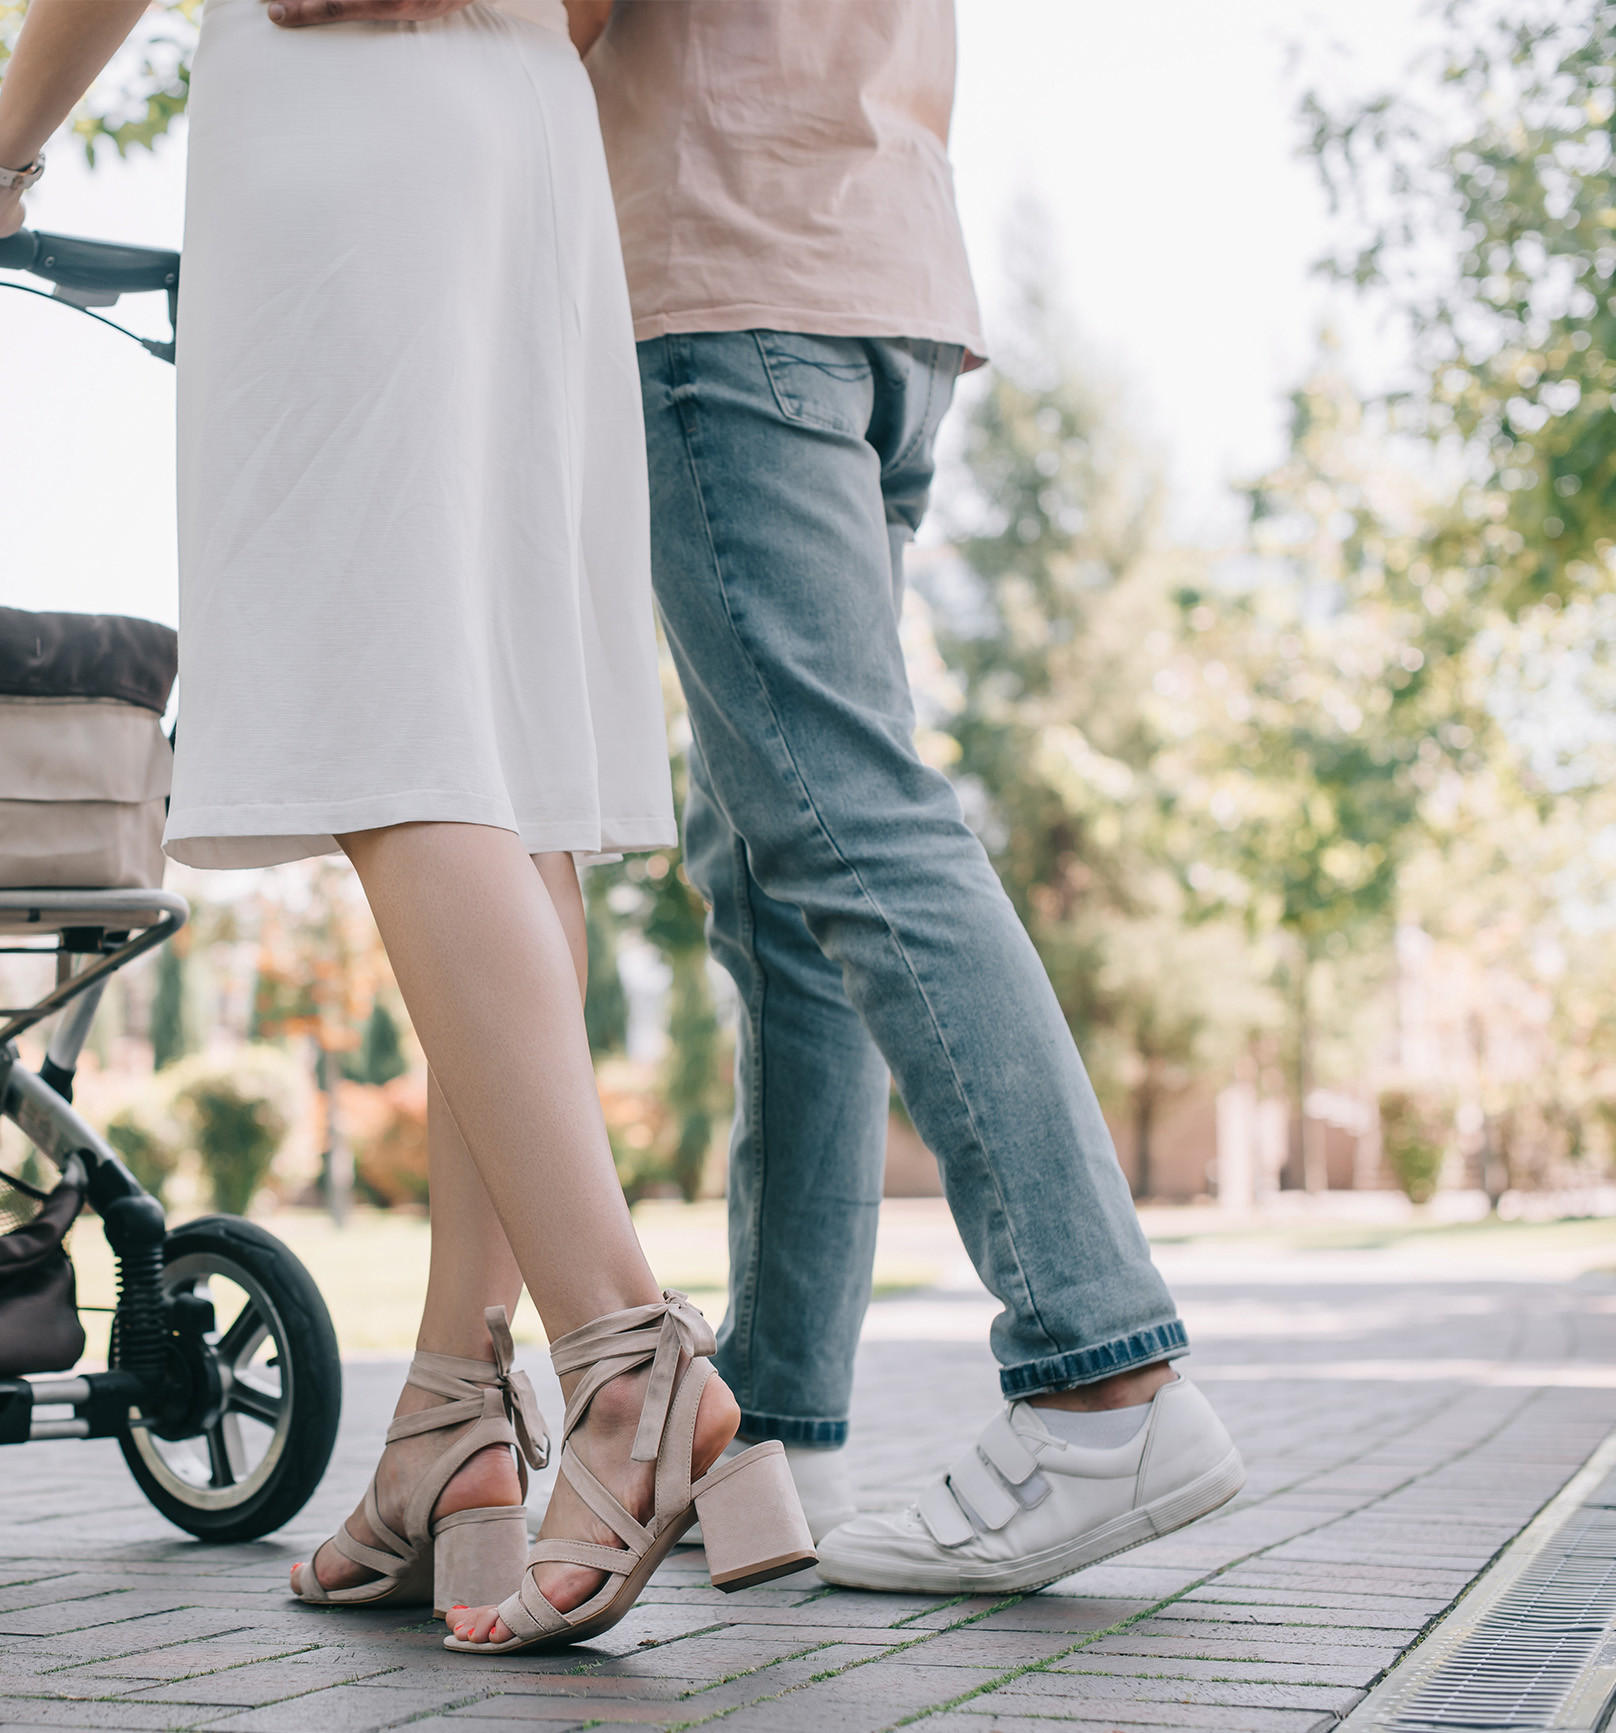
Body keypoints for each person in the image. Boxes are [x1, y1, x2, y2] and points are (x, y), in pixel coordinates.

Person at [267, 0, 1244, 1598]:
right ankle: (782, 1426)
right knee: (783, 861)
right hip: (884, 264)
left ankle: (1100, 1373)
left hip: (728, 260)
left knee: (847, 818)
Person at [0, 0, 817, 1656]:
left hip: (343, 130)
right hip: (532, 136)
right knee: (499, 757)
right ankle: (454, 1411)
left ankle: (625, 1360)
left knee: (389, 724)